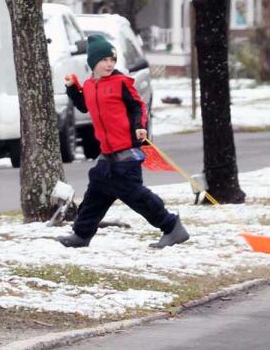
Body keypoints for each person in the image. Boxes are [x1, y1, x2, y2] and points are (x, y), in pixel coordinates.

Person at [57, 33, 189, 249]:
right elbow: (83, 105)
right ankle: (81, 234)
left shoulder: (121, 83)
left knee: (136, 195)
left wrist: (139, 127)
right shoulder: (90, 86)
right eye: (104, 60)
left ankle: (172, 226)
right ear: (93, 62)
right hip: (106, 156)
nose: (109, 64)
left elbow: (138, 106)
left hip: (126, 153)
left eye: (112, 60)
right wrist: (73, 88)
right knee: (95, 195)